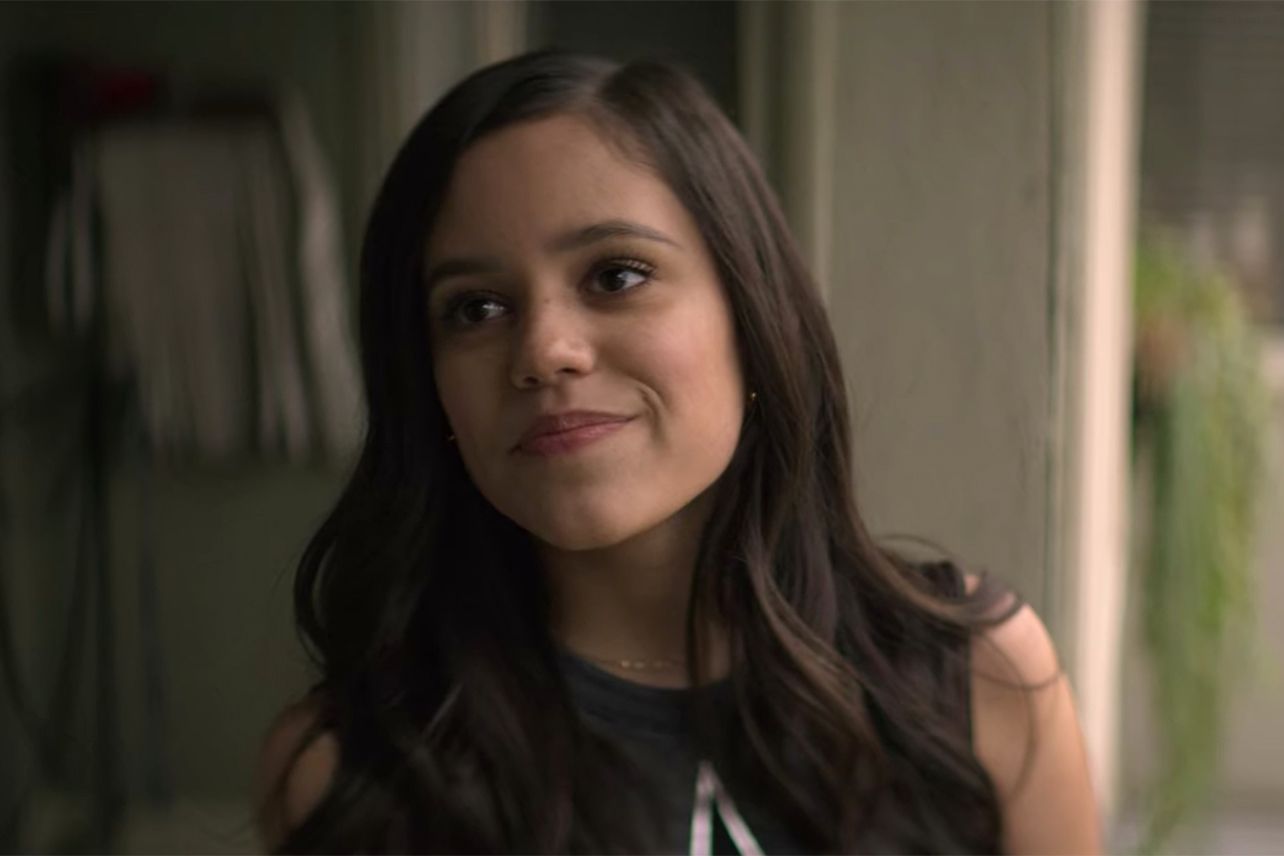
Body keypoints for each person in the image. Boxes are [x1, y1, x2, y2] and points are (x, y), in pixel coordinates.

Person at [254, 50, 1100, 854]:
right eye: (475, 309)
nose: (544, 350)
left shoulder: (980, 678)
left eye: (615, 276)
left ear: (751, 317)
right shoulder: (347, 778)